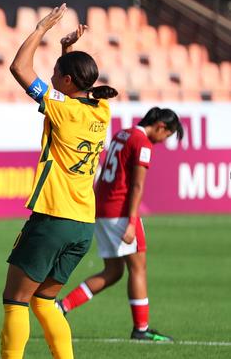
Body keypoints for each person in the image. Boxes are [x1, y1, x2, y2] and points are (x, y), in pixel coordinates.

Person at [1, 4, 118, 359]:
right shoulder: (101, 110)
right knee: (45, 301)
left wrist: (41, 28)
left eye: (56, 72)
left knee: (16, 300)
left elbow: (19, 68)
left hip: (53, 217)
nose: (51, 76)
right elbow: (75, 88)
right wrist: (68, 51)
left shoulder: (61, 109)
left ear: (67, 81)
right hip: (83, 224)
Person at [57, 107, 183, 342]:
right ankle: (141, 329)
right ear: (160, 127)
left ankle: (61, 307)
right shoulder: (142, 143)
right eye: (167, 136)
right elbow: (136, 186)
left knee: (113, 271)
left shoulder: (121, 134)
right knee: (138, 268)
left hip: (103, 208)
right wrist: (132, 222)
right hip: (120, 212)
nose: (164, 141)